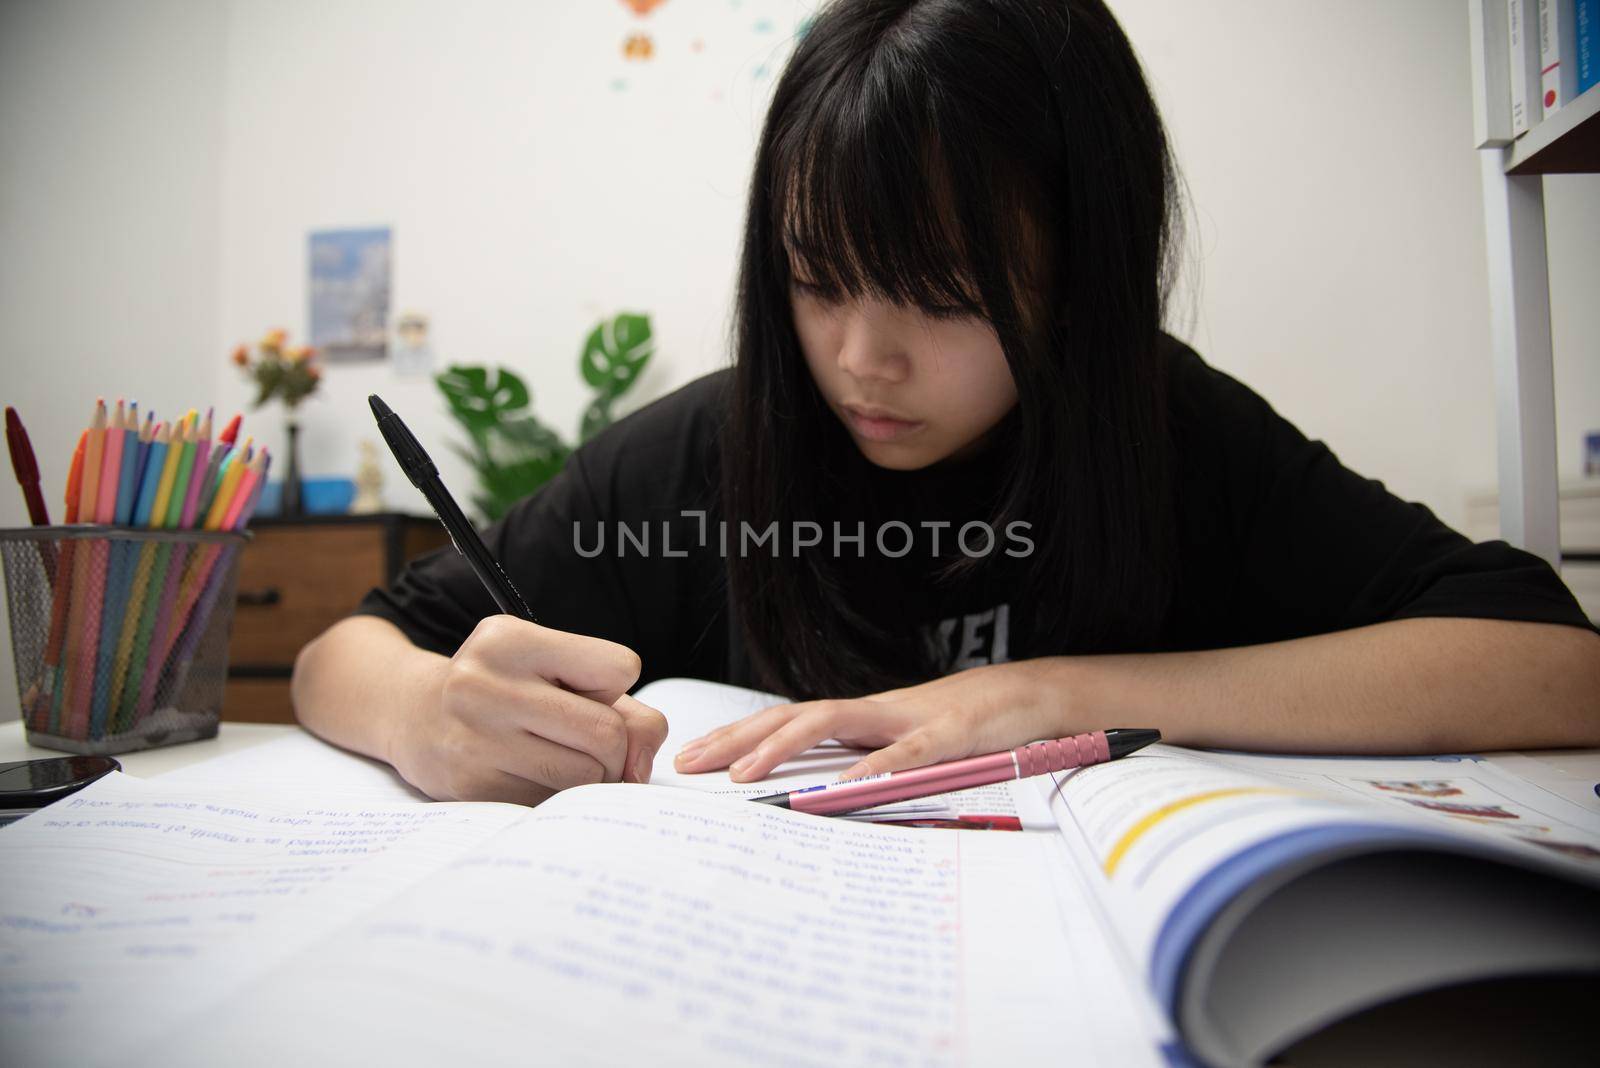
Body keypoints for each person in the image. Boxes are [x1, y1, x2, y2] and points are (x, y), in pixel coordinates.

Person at [291, 0, 1600, 805]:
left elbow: (1556, 666)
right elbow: (342, 654)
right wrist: (423, 716)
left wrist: (1051, 694)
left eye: (946, 295)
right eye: (817, 281)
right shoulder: (710, 452)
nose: (863, 359)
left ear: (1081, 272)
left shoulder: (1164, 433)